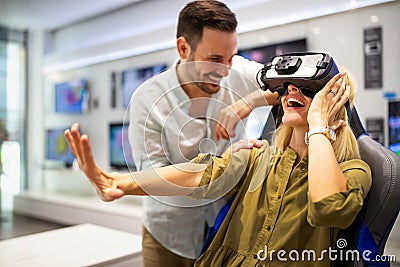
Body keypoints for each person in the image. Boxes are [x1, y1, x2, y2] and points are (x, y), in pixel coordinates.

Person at [65, 69, 372, 266]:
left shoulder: (354, 170)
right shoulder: (257, 157)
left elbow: (328, 208)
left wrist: (318, 124)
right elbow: (200, 174)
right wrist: (118, 183)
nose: (294, 92)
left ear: (336, 113)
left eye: (308, 91)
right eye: (290, 88)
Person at [127, 1, 278, 266]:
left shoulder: (237, 71)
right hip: (169, 236)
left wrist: (249, 102)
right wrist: (221, 167)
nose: (226, 70)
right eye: (215, 60)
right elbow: (153, 179)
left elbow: (298, 85)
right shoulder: (148, 100)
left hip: (227, 230)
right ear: (183, 48)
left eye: (231, 58)